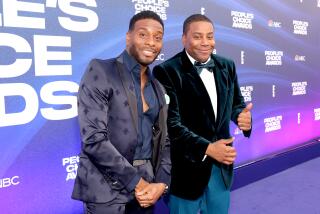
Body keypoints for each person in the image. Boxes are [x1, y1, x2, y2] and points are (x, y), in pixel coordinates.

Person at [72, 11, 171, 214]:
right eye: (143, 34)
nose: (151, 42)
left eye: (158, 37)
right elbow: (93, 139)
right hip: (106, 190)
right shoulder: (101, 70)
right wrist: (137, 183)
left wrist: (161, 183)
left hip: (147, 188)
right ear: (128, 37)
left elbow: (166, 141)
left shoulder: (158, 88)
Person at [153, 14, 252, 214]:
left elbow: (236, 104)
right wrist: (207, 148)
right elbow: (171, 124)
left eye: (210, 36)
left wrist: (242, 118)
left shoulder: (227, 65)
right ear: (184, 39)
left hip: (221, 167)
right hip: (186, 169)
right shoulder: (166, 71)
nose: (206, 43)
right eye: (198, 37)